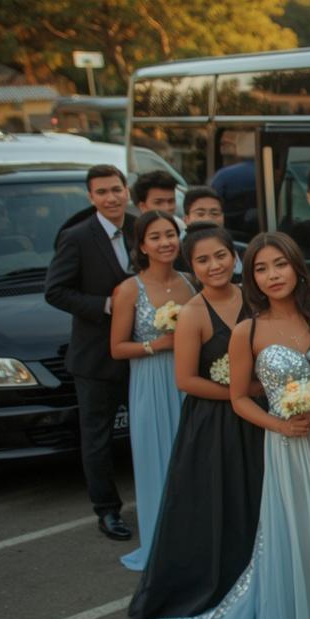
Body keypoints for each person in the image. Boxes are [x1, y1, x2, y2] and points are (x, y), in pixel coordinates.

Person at [124, 233, 310, 619]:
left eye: (280, 264)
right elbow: (237, 398)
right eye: (261, 268)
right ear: (251, 276)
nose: (273, 275)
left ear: (296, 267)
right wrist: (279, 422)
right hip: (289, 450)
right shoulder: (247, 332)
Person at [127, 224, 264, 619]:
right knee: (218, 503)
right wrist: (242, 394)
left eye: (221, 255)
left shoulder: (252, 299)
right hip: (215, 422)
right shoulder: (193, 313)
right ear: (192, 266)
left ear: (234, 256)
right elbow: (186, 380)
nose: (214, 265)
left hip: (258, 419)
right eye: (203, 260)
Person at [45, 163, 137, 542]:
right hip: (96, 358)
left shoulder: (140, 228)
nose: (111, 198)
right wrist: (105, 305)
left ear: (126, 190)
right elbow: (55, 291)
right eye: (102, 192)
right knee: (97, 439)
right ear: (91, 197)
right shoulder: (76, 237)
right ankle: (107, 511)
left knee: (146, 429)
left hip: (142, 352)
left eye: (116, 189)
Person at [107, 210, 188, 572]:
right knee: (158, 460)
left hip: (189, 381)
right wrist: (160, 344)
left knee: (190, 460)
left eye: (170, 234)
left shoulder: (190, 282)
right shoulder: (128, 290)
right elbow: (117, 348)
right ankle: (163, 544)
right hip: (151, 383)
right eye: (155, 237)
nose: (166, 242)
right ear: (141, 245)